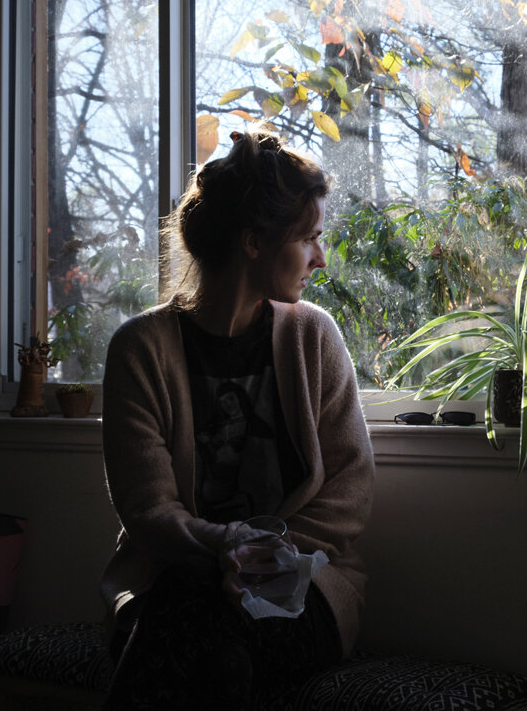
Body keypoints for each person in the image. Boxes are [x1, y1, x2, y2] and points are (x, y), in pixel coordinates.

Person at [98, 126, 374, 709]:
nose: (319, 260)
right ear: (254, 242)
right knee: (211, 638)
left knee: (201, 631)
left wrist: (262, 562)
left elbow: (349, 490)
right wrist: (220, 547)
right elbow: (148, 510)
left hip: (304, 586)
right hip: (178, 579)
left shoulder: (313, 337)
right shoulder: (140, 349)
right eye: (309, 240)